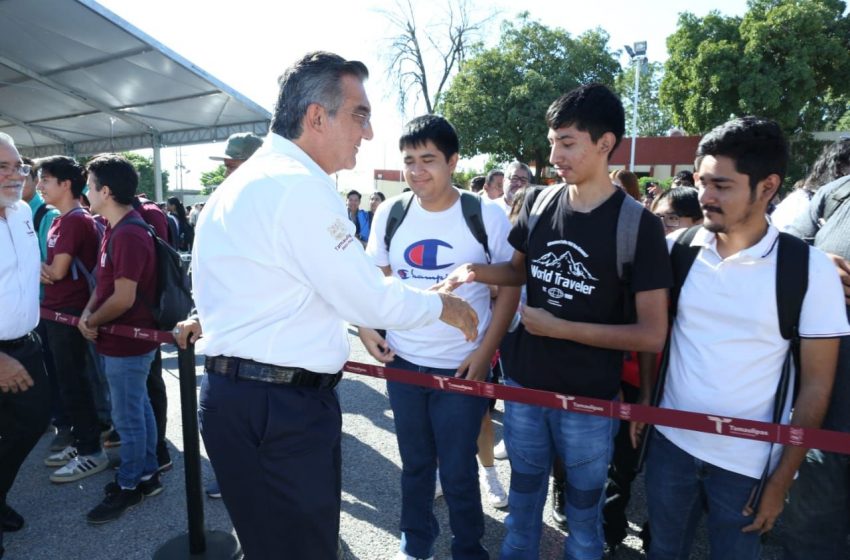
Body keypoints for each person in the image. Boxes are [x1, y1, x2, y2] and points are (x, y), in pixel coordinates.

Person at [191, 51, 478, 560]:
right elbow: (365, 292)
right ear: (316, 117)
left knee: (269, 545)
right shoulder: (295, 186)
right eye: (360, 115)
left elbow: (299, 286)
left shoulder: (249, 182)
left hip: (246, 398)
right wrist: (443, 308)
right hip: (277, 408)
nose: (368, 133)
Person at [439, 83, 672, 560]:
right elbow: (519, 271)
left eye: (567, 142)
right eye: (552, 142)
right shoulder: (541, 204)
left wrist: (560, 328)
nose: (554, 155)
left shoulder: (637, 225)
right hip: (524, 389)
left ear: (605, 144)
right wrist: (476, 271)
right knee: (522, 511)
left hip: (589, 400)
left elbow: (652, 333)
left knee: (584, 520)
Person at [639, 117, 848, 560]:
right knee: (662, 550)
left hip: (748, 467)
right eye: (701, 182)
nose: (705, 197)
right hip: (670, 449)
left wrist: (781, 478)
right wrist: (644, 402)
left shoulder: (809, 272)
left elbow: (816, 387)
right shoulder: (680, 249)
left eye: (722, 185)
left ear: (768, 186)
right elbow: (656, 337)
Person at [360, 115, 517, 560]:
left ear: (453, 161)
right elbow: (378, 281)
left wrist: (485, 353)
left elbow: (511, 285)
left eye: (428, 159)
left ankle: (469, 548)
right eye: (409, 160)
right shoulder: (391, 212)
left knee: (459, 470)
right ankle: (416, 545)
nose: (416, 171)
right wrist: (369, 328)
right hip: (404, 363)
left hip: (462, 365)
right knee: (415, 467)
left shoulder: (484, 213)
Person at [80, 154, 164, 524]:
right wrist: (88, 314)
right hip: (121, 341)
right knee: (138, 409)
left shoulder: (129, 231)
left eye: (90, 184)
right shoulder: (115, 227)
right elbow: (106, 284)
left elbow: (124, 297)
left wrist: (92, 320)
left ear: (106, 191)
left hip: (128, 343)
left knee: (128, 417)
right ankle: (147, 474)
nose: (86, 191)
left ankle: (130, 484)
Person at [781, 159, 850, 559]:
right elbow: (778, 246)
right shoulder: (836, 194)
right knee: (810, 541)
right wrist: (816, 264)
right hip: (827, 419)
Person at [36, 156, 109, 483]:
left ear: (66, 184)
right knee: (70, 384)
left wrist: (31, 267)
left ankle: (91, 450)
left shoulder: (73, 221)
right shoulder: (60, 220)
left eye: (45, 180)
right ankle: (83, 441)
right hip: (58, 315)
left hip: (69, 316)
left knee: (75, 384)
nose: (39, 186)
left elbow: (56, 272)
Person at [0, 132, 52, 559]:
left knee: (33, 421)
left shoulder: (19, 213)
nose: (15, 175)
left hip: (26, 346)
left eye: (18, 166)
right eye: (3, 167)